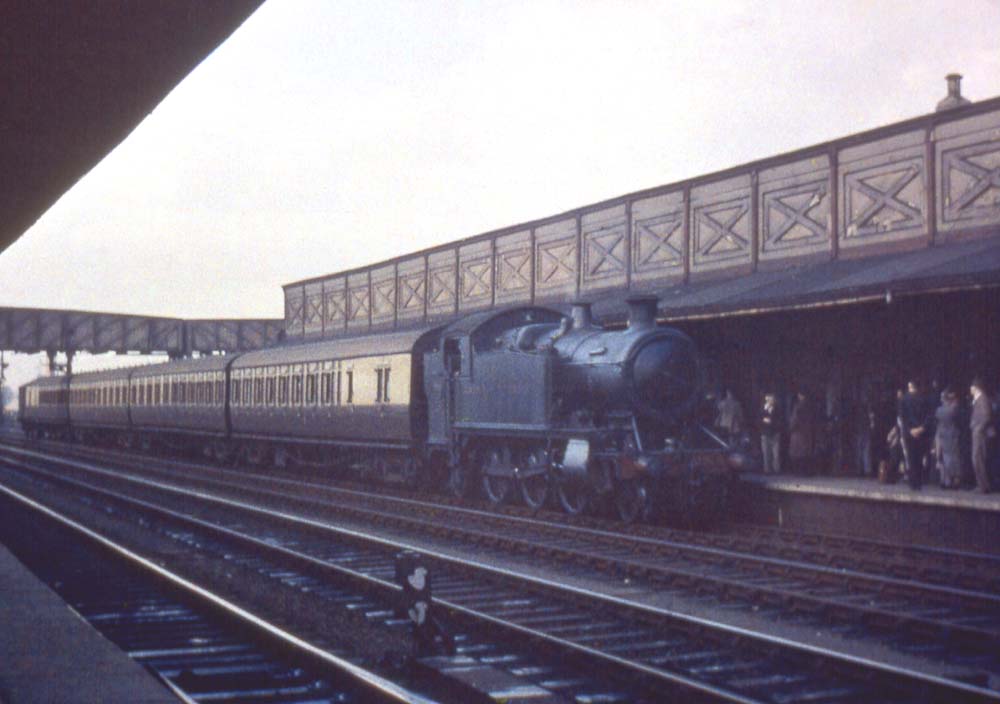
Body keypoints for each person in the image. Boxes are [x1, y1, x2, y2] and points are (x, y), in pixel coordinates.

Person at [898, 380, 930, 490]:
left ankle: (912, 482)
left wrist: (910, 430)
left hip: (909, 433)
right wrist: (921, 428)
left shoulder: (903, 400)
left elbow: (902, 417)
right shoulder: (924, 399)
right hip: (921, 432)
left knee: (911, 457)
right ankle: (919, 482)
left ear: (909, 386)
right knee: (919, 457)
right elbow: (928, 416)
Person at [934, 388, 963, 489]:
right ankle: (954, 480)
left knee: (942, 458)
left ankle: (944, 480)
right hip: (952, 436)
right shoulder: (953, 410)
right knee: (953, 458)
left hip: (941, 435)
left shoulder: (939, 410)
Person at [970, 377, 993, 493]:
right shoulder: (978, 399)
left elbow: (986, 416)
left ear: (976, 388)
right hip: (977, 433)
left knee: (978, 458)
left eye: (972, 387)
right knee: (977, 458)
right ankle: (982, 485)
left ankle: (983, 486)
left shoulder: (982, 399)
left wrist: (978, 429)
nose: (970, 389)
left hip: (980, 434)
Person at [788, 391, 815, 475]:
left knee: (797, 453)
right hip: (807, 431)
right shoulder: (810, 405)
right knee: (806, 452)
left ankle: (798, 471)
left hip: (798, 432)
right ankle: (806, 471)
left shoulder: (798, 406)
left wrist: (790, 428)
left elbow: (795, 419)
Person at [759, 393, 783, 474]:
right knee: (766, 453)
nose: (770, 401)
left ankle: (776, 470)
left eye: (771, 400)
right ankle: (767, 470)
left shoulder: (778, 409)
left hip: (775, 433)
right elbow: (758, 419)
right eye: (768, 400)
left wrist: (771, 422)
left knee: (776, 454)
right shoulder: (762, 409)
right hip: (765, 433)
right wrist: (764, 415)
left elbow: (780, 421)